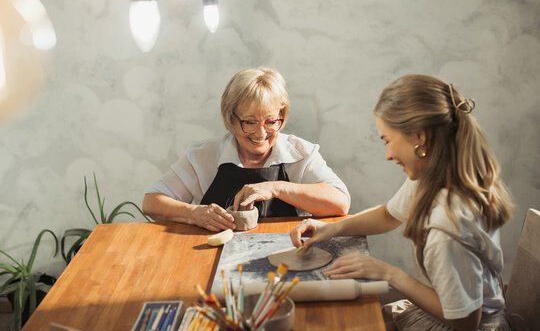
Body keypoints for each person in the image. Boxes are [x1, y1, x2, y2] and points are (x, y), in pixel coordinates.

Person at [290, 75, 514, 330]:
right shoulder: (432, 177)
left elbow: (464, 321)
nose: (387, 155)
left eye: (387, 140)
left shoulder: (447, 226)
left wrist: (388, 273)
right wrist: (331, 228)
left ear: (420, 137)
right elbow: (388, 214)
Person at [143, 67, 350, 231]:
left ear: (282, 116)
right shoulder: (204, 156)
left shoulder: (301, 153)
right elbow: (152, 202)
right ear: (232, 119)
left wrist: (274, 188)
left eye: (270, 121)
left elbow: (340, 202)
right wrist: (193, 214)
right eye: (249, 123)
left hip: (287, 259)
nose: (261, 134)